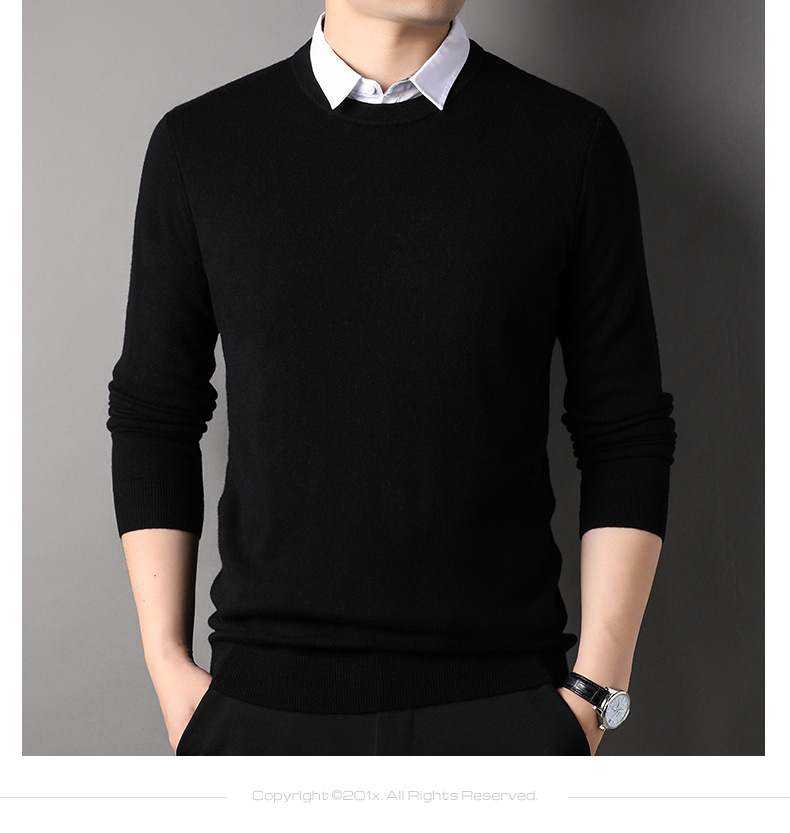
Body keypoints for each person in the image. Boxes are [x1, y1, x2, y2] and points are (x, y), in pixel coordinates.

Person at [106, 0, 677, 756]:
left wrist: (596, 692)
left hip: (505, 707)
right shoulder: (201, 144)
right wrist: (168, 670)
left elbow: (624, 427)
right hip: (259, 705)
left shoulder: (570, 142)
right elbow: (155, 414)